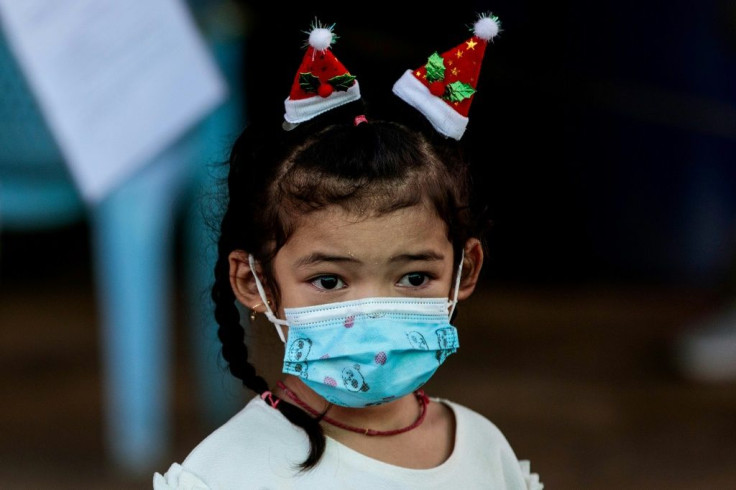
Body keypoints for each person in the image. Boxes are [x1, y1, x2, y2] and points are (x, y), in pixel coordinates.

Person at [154, 13, 543, 489]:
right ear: (252, 282)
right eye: (330, 281)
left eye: (415, 277)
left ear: (466, 271)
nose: (373, 311)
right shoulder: (224, 474)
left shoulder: (487, 451)